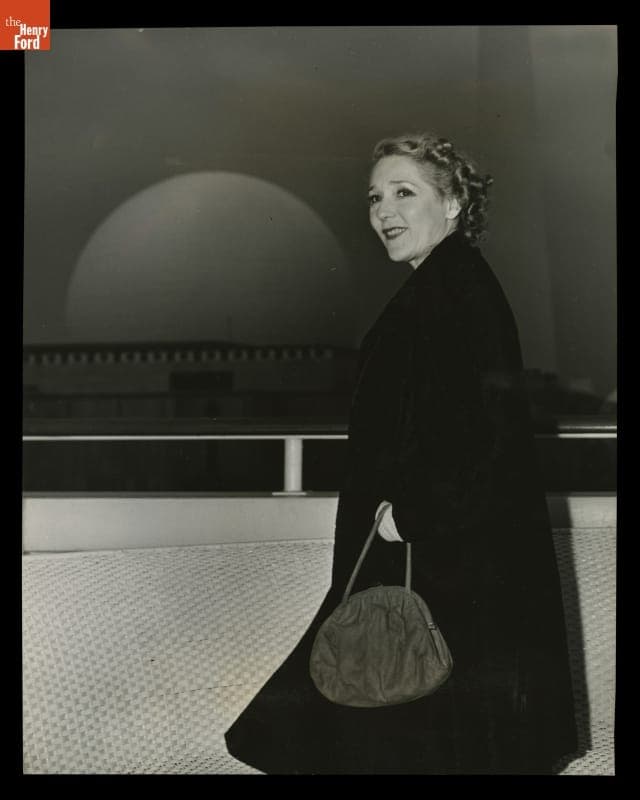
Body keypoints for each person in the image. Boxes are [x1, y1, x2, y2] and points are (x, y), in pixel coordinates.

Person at [224, 133, 579, 774]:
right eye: (374, 196)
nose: (384, 210)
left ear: (452, 205)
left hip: (433, 552)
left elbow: (483, 434)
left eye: (404, 192)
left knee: (380, 720)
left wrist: (412, 514)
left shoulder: (451, 291)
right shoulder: (445, 284)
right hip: (432, 550)